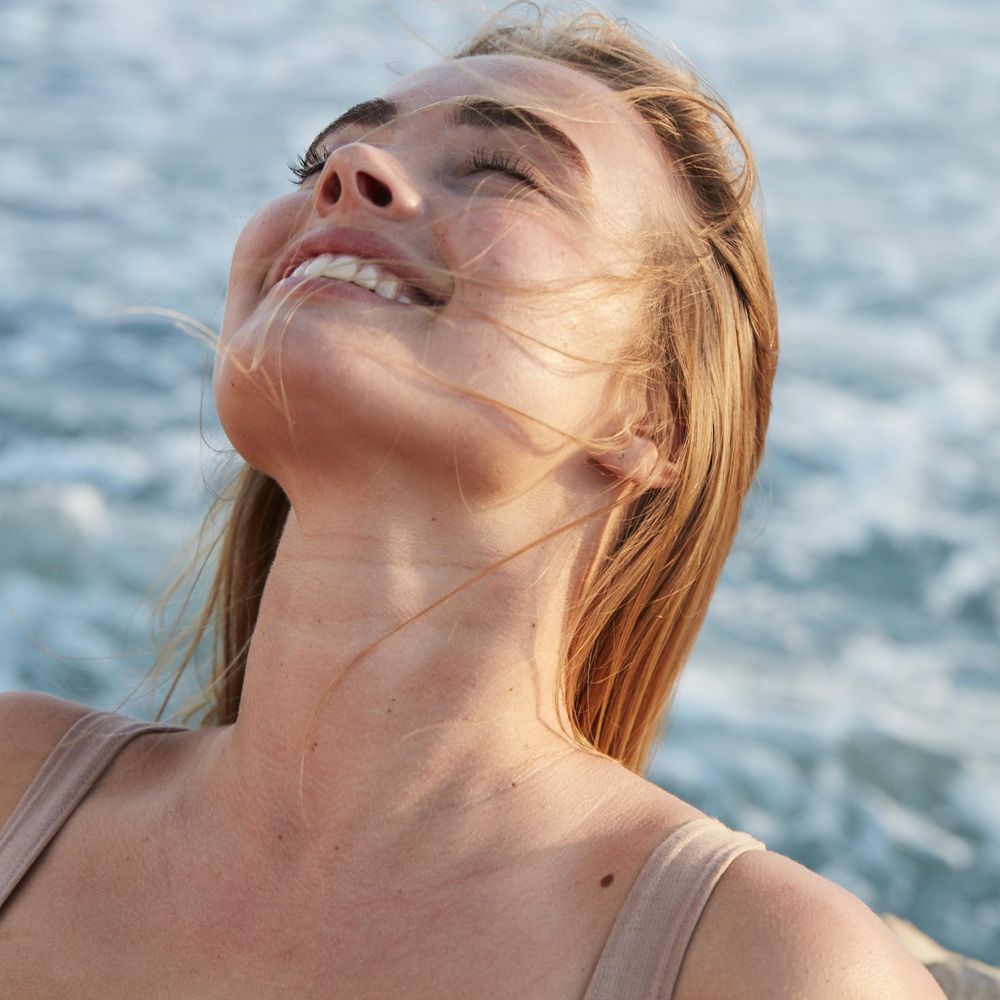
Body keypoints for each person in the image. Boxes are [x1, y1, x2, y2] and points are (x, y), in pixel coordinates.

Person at [0, 4, 946, 997]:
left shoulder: (765, 965)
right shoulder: (18, 788)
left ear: (649, 415)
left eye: (503, 170)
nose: (345, 174)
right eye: (320, 158)